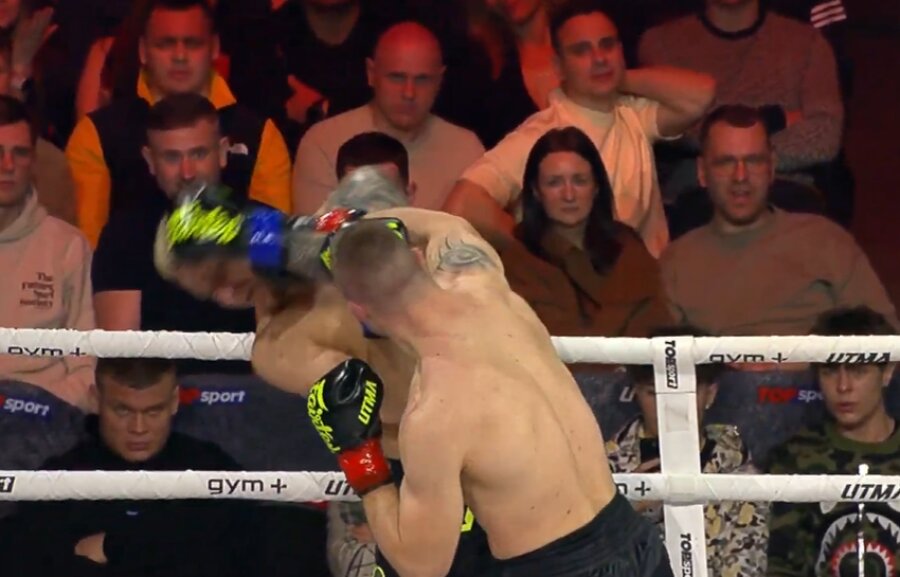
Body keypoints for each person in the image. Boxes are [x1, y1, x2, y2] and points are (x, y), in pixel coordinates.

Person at [153, 167, 500, 576]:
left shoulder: (337, 224)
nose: (227, 295)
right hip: (426, 469)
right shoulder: (277, 344)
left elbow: (390, 212)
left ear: (246, 233)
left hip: (493, 427)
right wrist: (381, 509)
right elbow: (368, 410)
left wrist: (302, 242)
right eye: (209, 292)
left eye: (221, 274)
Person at [311, 205, 673, 576]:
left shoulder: (434, 412)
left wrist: (360, 457)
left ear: (359, 311)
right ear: (418, 258)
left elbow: (421, 566)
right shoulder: (485, 284)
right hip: (638, 543)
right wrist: (351, 220)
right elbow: (448, 223)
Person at [607, 325, 768, 576]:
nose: (669, 406)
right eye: (654, 393)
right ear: (636, 393)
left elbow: (747, 566)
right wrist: (622, 514)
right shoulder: (600, 470)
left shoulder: (739, 472)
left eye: (685, 392)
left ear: (710, 394)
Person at [497, 126, 671, 338]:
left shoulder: (626, 243)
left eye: (579, 181)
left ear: (596, 187)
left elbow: (659, 320)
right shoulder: (518, 258)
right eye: (554, 183)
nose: (569, 195)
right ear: (536, 191)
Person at [767, 306, 900, 576]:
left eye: (858, 371)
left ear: (886, 372)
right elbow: (782, 567)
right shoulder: (794, 458)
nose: (843, 386)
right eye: (829, 371)